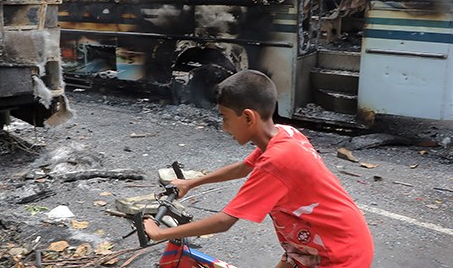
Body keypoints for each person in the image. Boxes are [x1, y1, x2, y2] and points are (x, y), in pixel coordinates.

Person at [144, 70, 374, 268]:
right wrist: (191, 183)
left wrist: (160, 233)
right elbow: (244, 167)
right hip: (313, 244)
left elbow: (224, 222)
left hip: (338, 255)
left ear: (247, 117)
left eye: (225, 118)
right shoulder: (284, 134)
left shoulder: (277, 161)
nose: (224, 128)